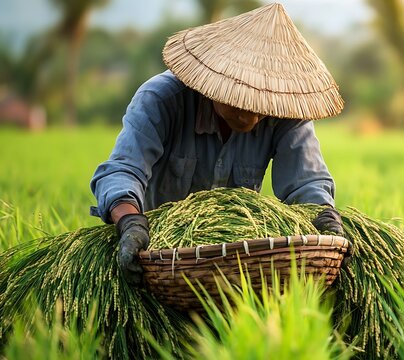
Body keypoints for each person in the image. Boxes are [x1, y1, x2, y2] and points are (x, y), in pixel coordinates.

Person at [89, 3, 345, 285]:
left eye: (262, 102)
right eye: (240, 97)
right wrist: (131, 225)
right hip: (160, 257)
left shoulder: (283, 110)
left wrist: (327, 224)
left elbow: (306, 185)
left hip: (238, 260)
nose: (252, 114)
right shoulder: (161, 100)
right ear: (212, 78)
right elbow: (122, 170)